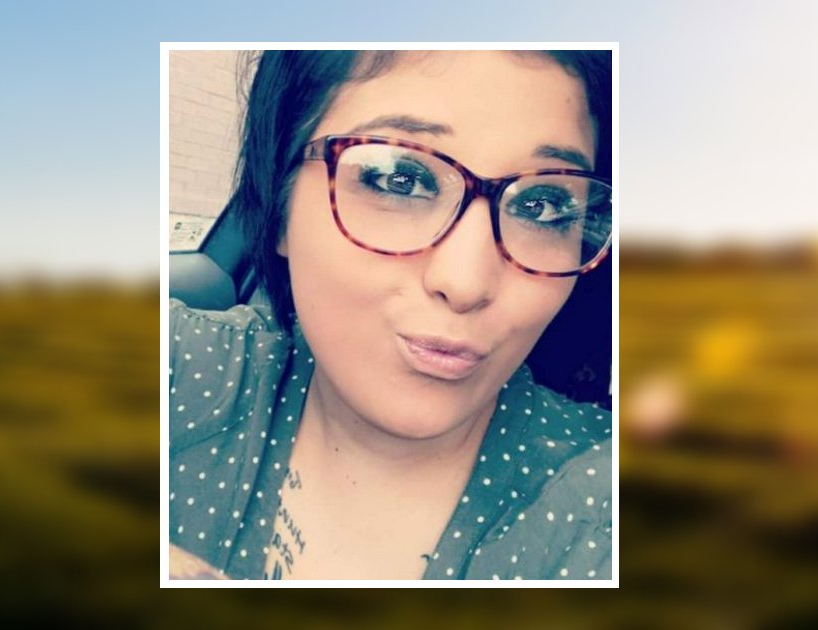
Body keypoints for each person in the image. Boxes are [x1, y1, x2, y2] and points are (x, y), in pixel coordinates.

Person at [169, 50, 613, 580]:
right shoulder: (180, 371)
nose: (466, 283)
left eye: (541, 205)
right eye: (399, 179)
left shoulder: (598, 508)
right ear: (279, 206)